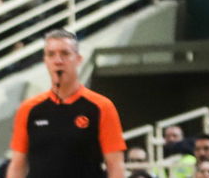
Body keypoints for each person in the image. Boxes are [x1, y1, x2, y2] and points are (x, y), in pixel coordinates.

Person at [7, 30, 124, 178]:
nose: (58, 60)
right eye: (51, 54)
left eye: (65, 54)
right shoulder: (29, 109)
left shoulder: (101, 107)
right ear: (45, 61)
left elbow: (115, 165)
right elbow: (17, 165)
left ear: (78, 59)